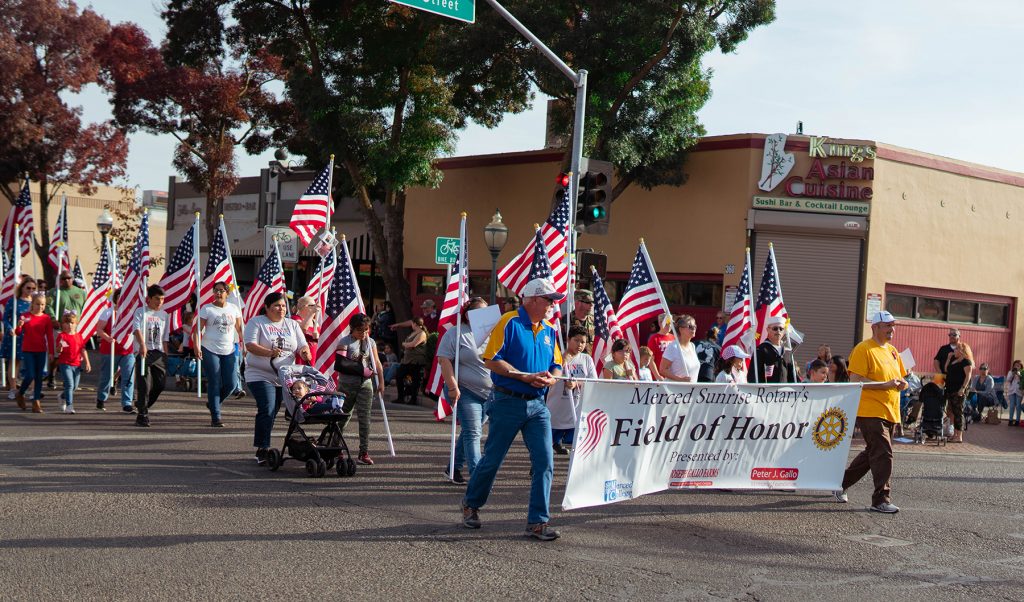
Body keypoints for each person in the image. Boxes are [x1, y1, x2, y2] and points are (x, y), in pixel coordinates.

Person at [462, 277, 563, 541]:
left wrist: (551, 377)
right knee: (493, 460)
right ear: (533, 300)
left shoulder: (550, 330)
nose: (553, 305)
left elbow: (557, 364)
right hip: (507, 401)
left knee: (545, 462)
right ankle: (471, 504)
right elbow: (491, 360)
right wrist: (524, 376)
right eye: (549, 300)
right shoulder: (508, 322)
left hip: (537, 405)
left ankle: (538, 522)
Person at [834, 311, 908, 513]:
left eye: (893, 326)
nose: (892, 330)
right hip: (870, 411)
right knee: (883, 453)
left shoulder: (892, 350)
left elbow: (900, 376)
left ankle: (838, 483)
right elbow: (856, 380)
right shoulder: (863, 349)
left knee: (872, 453)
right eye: (887, 326)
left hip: (890, 410)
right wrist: (885, 385)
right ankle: (880, 500)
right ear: (875, 327)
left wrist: (902, 383)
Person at [244, 292, 312, 464]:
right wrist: (269, 353)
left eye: (283, 306)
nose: (281, 309)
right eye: (276, 305)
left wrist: (305, 352)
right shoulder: (257, 322)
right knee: (267, 407)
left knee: (273, 411)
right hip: (259, 374)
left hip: (284, 376)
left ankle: (270, 442)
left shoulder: (292, 324)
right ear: (267, 307)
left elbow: (302, 345)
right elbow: (250, 346)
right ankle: (262, 449)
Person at [437, 297, 492, 483]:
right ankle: (478, 477)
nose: (484, 315)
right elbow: (444, 360)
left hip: (490, 393)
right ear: (468, 315)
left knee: (470, 431)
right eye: (479, 311)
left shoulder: (492, 332)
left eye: (486, 311)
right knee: (474, 432)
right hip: (465, 390)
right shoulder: (456, 333)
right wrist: (452, 387)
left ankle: (453, 467)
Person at [334, 313, 384, 465]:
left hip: (365, 385)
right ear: (352, 329)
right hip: (347, 385)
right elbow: (340, 364)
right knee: (342, 417)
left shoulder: (371, 342)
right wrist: (361, 370)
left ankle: (363, 451)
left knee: (365, 419)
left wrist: (381, 382)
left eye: (366, 330)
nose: (363, 333)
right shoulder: (345, 342)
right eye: (360, 330)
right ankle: (336, 447)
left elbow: (376, 362)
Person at [195, 281, 244, 428]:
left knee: (231, 383)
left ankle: (213, 403)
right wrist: (197, 346)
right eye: (216, 290)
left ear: (227, 293)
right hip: (209, 349)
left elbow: (240, 329)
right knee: (215, 381)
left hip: (229, 350)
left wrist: (245, 345)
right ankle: (216, 416)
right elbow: (198, 329)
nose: (218, 293)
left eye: (221, 291)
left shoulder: (234, 309)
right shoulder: (207, 309)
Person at [548, 327, 597, 456]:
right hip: (557, 408)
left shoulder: (587, 359)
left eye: (583, 342)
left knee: (577, 445)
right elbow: (550, 375)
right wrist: (563, 360)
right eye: (576, 340)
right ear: (568, 340)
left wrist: (577, 384)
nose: (580, 344)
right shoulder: (557, 356)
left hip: (576, 409)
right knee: (546, 443)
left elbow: (593, 381)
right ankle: (538, 466)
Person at [133, 285, 171, 427]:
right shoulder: (141, 311)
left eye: (162, 299)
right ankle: (142, 415)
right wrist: (142, 344)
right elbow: (136, 329)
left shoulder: (164, 315)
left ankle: (143, 405)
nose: (159, 302)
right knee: (144, 385)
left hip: (159, 353)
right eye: (157, 299)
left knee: (160, 385)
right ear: (149, 299)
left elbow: (165, 336)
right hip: (144, 352)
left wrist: (165, 353)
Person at [44, 270, 87, 388]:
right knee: (58, 354)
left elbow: (85, 308)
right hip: (60, 328)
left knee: (74, 353)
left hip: (75, 329)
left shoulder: (81, 293)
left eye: (68, 278)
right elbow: (48, 306)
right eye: (63, 278)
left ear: (72, 279)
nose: (66, 280)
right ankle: (51, 375)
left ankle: (69, 378)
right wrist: (53, 319)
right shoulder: (54, 292)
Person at [95, 291, 136, 412]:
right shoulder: (108, 313)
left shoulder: (131, 314)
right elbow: (99, 330)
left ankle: (127, 403)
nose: (122, 300)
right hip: (109, 351)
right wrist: (108, 338)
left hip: (127, 350)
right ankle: (101, 398)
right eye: (120, 297)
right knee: (106, 377)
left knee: (128, 376)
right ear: (116, 299)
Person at [14, 293, 53, 413]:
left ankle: (36, 402)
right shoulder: (25, 316)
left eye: (42, 304)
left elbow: (50, 336)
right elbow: (18, 333)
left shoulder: (46, 318)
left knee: (38, 377)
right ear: (32, 304)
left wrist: (51, 352)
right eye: (37, 304)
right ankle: (20, 393)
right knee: (30, 374)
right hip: (28, 350)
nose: (40, 307)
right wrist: (19, 326)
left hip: (41, 350)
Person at [2, 278, 35, 401]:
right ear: (22, 288)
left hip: (31, 336)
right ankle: (13, 388)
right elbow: (5, 318)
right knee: (14, 362)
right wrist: (10, 328)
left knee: (31, 363)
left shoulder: (35, 302)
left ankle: (31, 389)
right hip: (15, 335)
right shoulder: (13, 301)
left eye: (33, 288)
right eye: (28, 288)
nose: (30, 291)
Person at [55, 311, 90, 414]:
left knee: (74, 386)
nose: (69, 325)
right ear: (63, 324)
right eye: (67, 323)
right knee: (69, 385)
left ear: (76, 324)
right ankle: (69, 406)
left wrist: (87, 362)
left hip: (77, 364)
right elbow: (58, 350)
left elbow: (83, 349)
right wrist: (59, 348)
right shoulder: (62, 336)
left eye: (72, 323)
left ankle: (62, 396)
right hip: (65, 364)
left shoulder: (79, 336)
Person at [749, 315, 795, 383]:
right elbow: (752, 376)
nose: (778, 331)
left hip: (785, 392)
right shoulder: (760, 350)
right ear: (768, 330)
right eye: (775, 328)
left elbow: (793, 377)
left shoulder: (787, 351)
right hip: (766, 391)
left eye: (781, 329)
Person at [943, 342, 973, 442]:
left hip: (959, 390)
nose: (954, 351)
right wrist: (948, 358)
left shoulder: (966, 362)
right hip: (950, 389)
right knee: (951, 411)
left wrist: (963, 388)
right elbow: (946, 369)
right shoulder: (954, 360)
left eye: (956, 349)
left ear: (961, 351)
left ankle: (959, 435)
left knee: (958, 412)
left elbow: (968, 376)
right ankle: (954, 434)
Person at [395, 317, 428, 405]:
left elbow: (413, 344)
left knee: (416, 380)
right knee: (399, 376)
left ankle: (413, 399)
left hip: (416, 361)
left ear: (415, 324)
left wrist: (404, 344)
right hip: (407, 361)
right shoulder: (413, 333)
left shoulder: (422, 333)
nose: (411, 325)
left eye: (412, 323)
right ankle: (400, 397)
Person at [660, 315, 700, 383]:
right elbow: (662, 370)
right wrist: (680, 379)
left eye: (694, 326)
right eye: (690, 326)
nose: (693, 329)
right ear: (681, 329)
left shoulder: (692, 346)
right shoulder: (673, 347)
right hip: (673, 391)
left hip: (690, 390)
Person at [292, 296, 320, 365]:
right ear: (304, 306)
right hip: (301, 357)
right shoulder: (294, 318)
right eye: (313, 305)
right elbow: (302, 329)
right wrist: (311, 313)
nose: (315, 307)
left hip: (314, 357)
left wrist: (318, 337)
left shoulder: (315, 322)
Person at [1005, 360, 1023, 427]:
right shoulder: (1010, 372)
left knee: (1018, 406)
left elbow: (1022, 381)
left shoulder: (1022, 372)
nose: (1016, 367)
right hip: (1012, 391)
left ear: (1021, 367)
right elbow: (1008, 380)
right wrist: (1013, 374)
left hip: (1019, 391)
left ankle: (1018, 420)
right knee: (1012, 405)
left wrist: (1019, 375)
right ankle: (1010, 420)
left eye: (1018, 365)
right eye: (1015, 365)